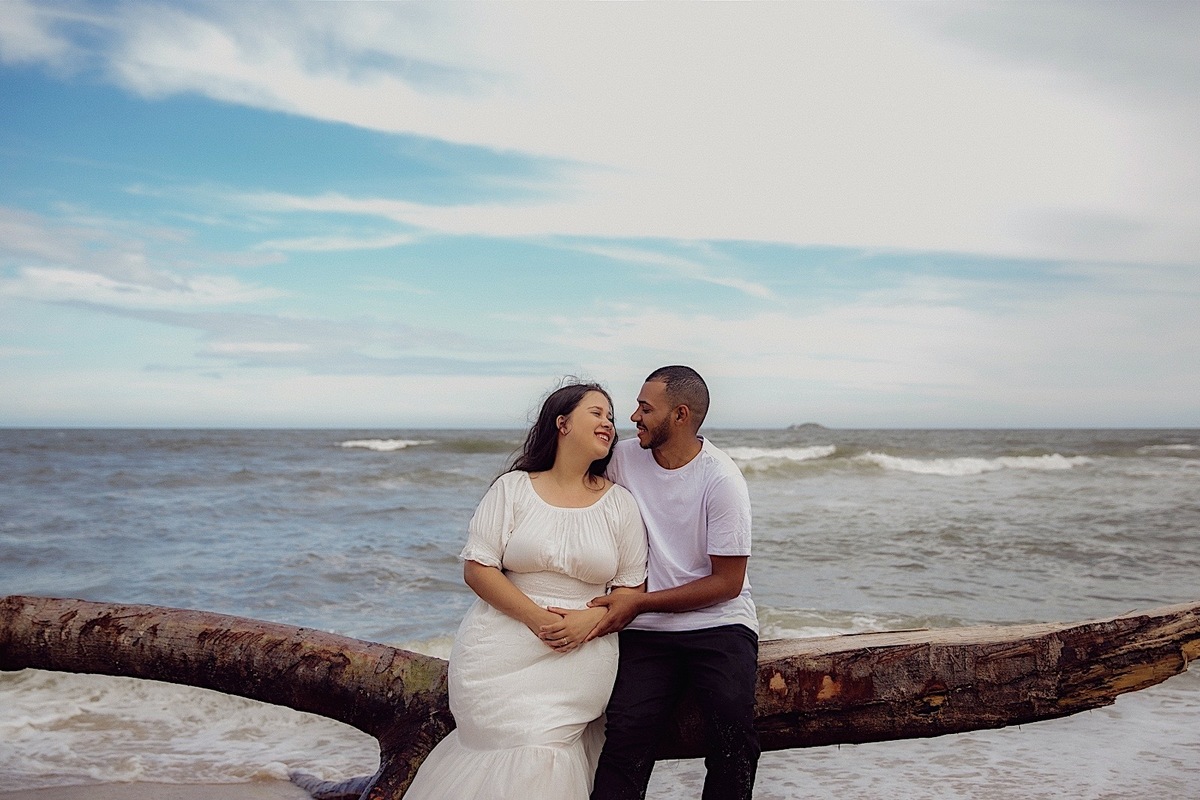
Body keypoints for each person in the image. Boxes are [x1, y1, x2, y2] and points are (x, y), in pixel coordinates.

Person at [404, 382, 648, 800]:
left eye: (611, 417)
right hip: (500, 647)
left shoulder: (620, 504)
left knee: (543, 743)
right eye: (597, 412)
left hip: (582, 651)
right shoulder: (512, 489)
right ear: (562, 423)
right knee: (512, 742)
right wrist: (538, 619)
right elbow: (478, 569)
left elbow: (632, 588)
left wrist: (589, 622)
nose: (608, 423)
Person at [587, 365, 760, 800]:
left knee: (732, 730)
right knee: (626, 733)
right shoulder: (623, 459)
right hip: (648, 633)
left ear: (680, 415)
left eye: (646, 408)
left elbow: (727, 583)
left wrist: (638, 604)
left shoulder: (721, 479)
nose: (633, 416)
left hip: (720, 624)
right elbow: (569, 480)